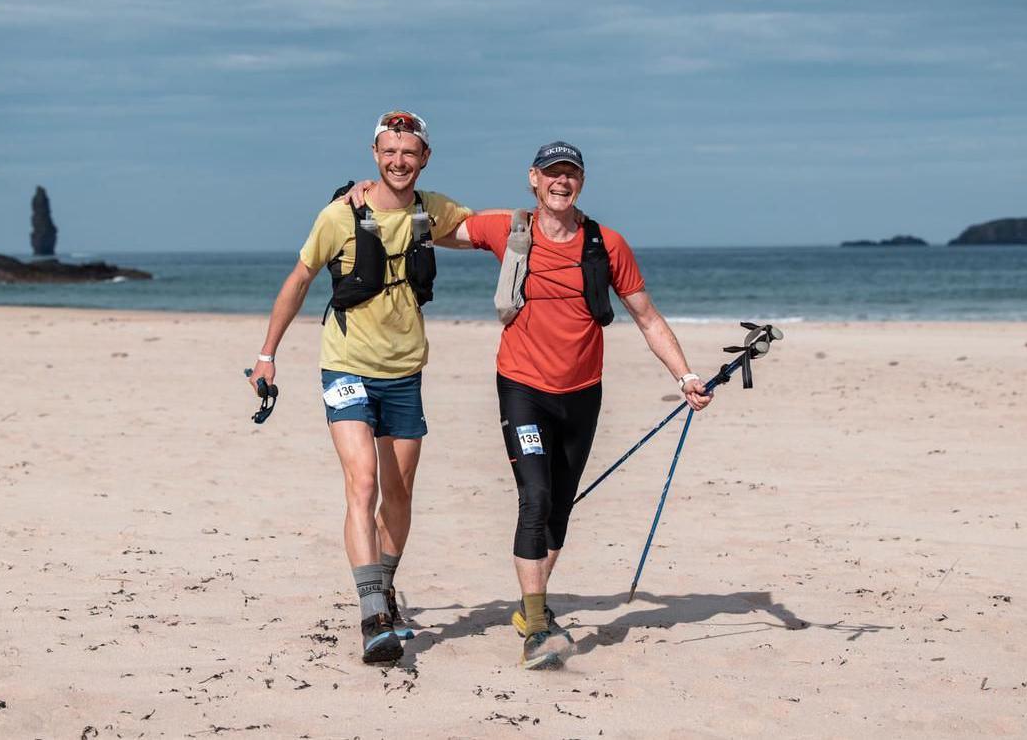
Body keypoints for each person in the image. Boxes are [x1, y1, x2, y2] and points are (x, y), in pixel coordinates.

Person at [448, 142, 713, 669]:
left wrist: (684, 375)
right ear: (533, 179)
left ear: (582, 182)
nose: (560, 183)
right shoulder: (509, 230)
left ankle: (530, 608)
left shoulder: (606, 244)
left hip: (582, 394)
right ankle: (537, 625)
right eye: (552, 174)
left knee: (559, 510)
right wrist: (374, 199)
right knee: (536, 496)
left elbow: (647, 317)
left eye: (570, 175)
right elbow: (443, 227)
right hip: (521, 387)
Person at [247, 111, 471, 665]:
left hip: (405, 372)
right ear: (374, 154)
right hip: (346, 366)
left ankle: (387, 589)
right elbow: (298, 280)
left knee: (399, 493)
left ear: (424, 158)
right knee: (363, 483)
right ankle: (373, 617)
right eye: (389, 151)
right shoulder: (340, 215)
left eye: (409, 152)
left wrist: (545, 219)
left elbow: (485, 232)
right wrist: (266, 356)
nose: (399, 161)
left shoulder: (431, 211)